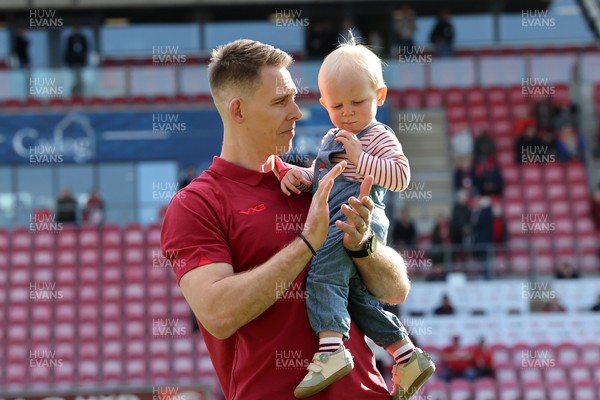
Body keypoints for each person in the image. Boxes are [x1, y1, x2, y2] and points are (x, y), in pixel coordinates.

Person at [161, 39, 415, 400]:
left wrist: (364, 248)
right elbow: (218, 313)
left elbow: (395, 291)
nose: (297, 112)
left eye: (295, 98)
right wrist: (306, 243)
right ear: (238, 110)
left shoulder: (313, 181)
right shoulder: (197, 204)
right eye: (281, 101)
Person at [279, 36, 434, 399]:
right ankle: (406, 354)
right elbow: (323, 178)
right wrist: (299, 178)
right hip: (338, 215)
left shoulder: (379, 135)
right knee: (357, 299)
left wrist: (363, 159)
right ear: (323, 104)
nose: (348, 112)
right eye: (337, 104)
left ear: (380, 96)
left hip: (360, 219)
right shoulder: (331, 137)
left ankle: (331, 350)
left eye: (358, 102)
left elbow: (401, 176)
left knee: (322, 274)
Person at [64, 24, 88, 96]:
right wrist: (68, 62)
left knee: (80, 79)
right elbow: (67, 51)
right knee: (73, 80)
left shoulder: (83, 38)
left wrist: (84, 61)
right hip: (72, 64)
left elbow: (86, 50)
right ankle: (73, 93)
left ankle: (81, 93)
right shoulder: (70, 39)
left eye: (78, 28)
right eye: (75, 28)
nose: (76, 30)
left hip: (81, 64)